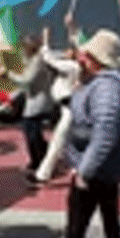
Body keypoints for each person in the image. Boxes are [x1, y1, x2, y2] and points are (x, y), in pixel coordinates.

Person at [44, 29, 120, 238]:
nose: (79, 57)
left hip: (96, 164)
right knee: (108, 207)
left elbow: (104, 134)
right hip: (105, 164)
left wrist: (84, 171)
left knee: (78, 209)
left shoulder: (106, 88)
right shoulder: (98, 82)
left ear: (96, 60)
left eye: (85, 55)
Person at [30, 22, 82, 186]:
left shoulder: (72, 67)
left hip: (70, 109)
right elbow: (72, 48)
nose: (65, 52)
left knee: (58, 141)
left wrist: (45, 40)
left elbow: (49, 58)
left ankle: (42, 175)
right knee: (68, 143)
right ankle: (75, 168)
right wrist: (70, 29)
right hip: (63, 108)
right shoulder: (73, 63)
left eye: (69, 51)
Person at [8, 33, 56, 174]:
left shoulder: (37, 61)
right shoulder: (32, 60)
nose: (22, 51)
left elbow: (27, 80)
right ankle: (41, 159)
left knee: (32, 135)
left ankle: (38, 162)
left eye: (23, 48)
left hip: (38, 104)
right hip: (34, 102)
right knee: (34, 134)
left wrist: (8, 74)